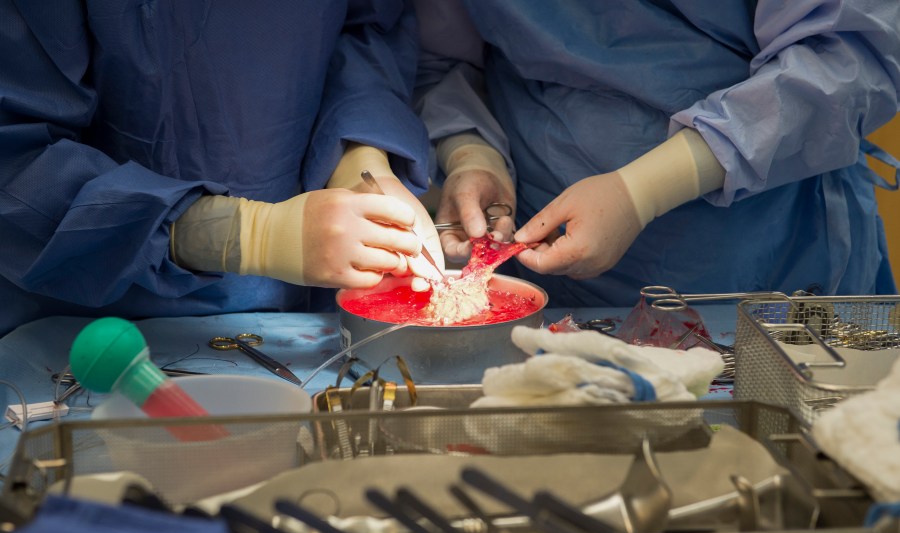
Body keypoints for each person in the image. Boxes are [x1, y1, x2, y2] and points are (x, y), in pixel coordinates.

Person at [0, 0, 443, 338]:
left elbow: (366, 26)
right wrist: (241, 233)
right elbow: (15, 161)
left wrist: (360, 153)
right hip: (90, 325)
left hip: (303, 319)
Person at [414, 0, 900, 308]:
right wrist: (471, 151)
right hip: (552, 269)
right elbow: (441, 53)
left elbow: (848, 60)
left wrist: (644, 189)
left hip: (770, 259)